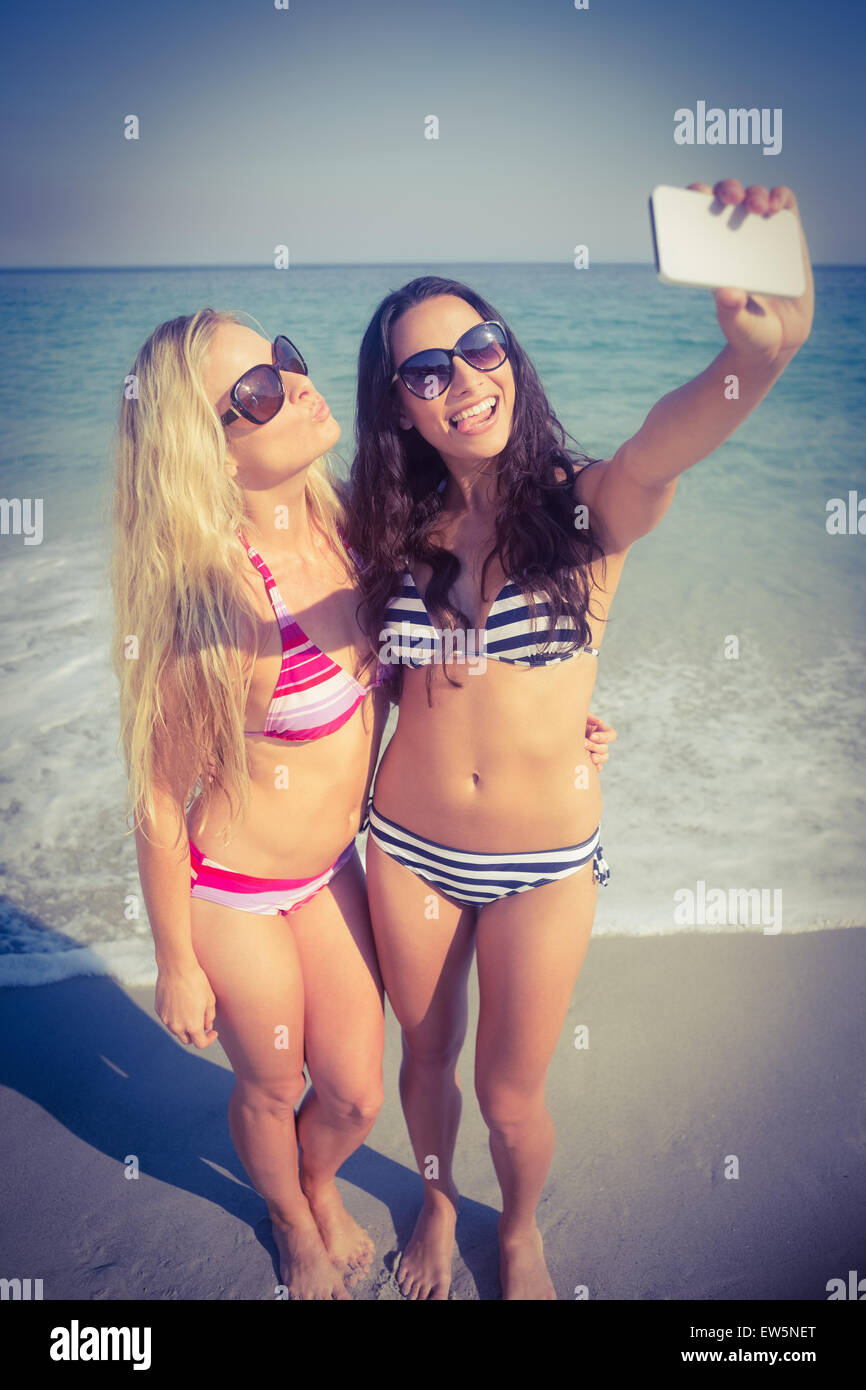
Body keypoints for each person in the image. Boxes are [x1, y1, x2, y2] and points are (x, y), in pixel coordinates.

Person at [345, 178, 814, 1300]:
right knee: (419, 1059)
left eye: (480, 346)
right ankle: (437, 1197)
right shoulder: (387, 529)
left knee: (511, 1098)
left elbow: (666, 445)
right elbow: (354, 673)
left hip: (541, 865)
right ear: (398, 404)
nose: (464, 379)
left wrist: (759, 357)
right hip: (406, 845)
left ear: (509, 355)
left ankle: (513, 1232)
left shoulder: (581, 506)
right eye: (427, 369)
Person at [111, 308, 618, 1299]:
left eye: (286, 361)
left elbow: (465, 658)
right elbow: (161, 796)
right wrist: (174, 959)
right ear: (203, 451)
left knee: (347, 1090)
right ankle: (294, 1221)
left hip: (336, 866)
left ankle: (313, 1175)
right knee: (272, 1080)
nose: (295, 385)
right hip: (235, 887)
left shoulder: (358, 531)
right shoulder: (217, 601)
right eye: (255, 391)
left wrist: (569, 723)